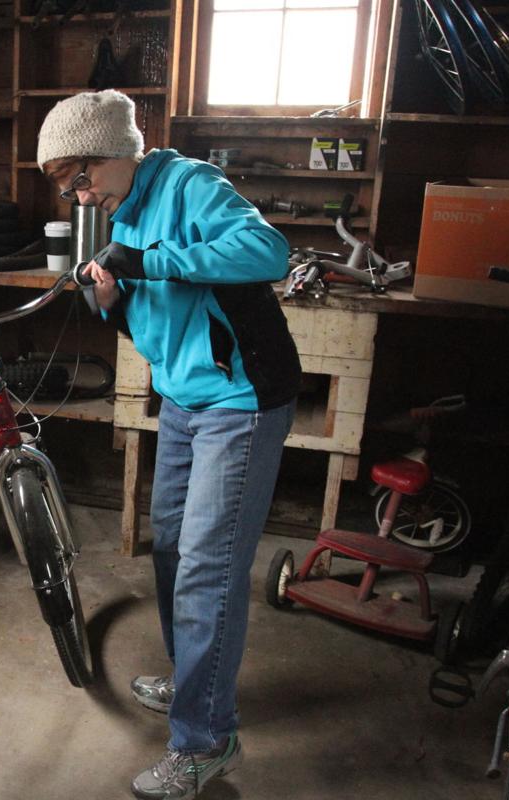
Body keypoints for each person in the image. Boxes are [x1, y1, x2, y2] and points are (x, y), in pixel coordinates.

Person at [37, 89, 301, 799]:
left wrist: (147, 262)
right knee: (174, 551)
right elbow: (158, 313)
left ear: (117, 152)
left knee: (208, 571)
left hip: (239, 399)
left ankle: (206, 741)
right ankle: (196, 683)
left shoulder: (189, 185)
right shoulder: (121, 208)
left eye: (82, 177)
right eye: (68, 187)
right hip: (185, 398)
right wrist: (111, 300)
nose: (80, 196)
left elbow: (268, 252)